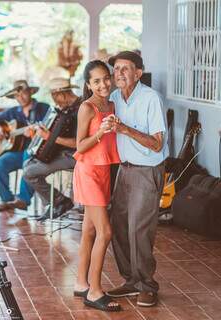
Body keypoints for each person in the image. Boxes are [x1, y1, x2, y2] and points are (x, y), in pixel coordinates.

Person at [104, 51, 167, 307]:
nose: (119, 73)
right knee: (118, 226)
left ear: (138, 73)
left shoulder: (151, 98)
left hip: (146, 169)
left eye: (125, 69)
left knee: (138, 229)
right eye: (116, 68)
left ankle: (147, 285)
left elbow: (156, 144)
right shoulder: (114, 97)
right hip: (124, 169)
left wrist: (125, 129)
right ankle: (131, 280)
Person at [73, 60, 121, 312]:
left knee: (90, 231)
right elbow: (79, 146)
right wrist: (101, 131)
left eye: (106, 78)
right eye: (96, 81)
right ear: (88, 84)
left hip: (104, 172)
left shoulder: (111, 104)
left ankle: (81, 283)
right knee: (106, 232)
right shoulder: (87, 107)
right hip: (88, 173)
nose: (103, 84)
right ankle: (94, 291)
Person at [23, 78, 81, 220]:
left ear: (62, 94)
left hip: (75, 155)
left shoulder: (81, 108)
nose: (55, 103)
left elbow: (78, 143)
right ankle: (56, 203)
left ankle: (60, 202)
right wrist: (39, 134)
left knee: (29, 172)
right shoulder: (66, 109)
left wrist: (49, 137)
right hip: (63, 152)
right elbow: (58, 131)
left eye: (56, 98)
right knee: (28, 164)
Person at [0, 80, 49, 211]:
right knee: (0, 162)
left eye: (23, 93)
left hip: (38, 153)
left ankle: (23, 200)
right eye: (16, 95)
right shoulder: (13, 111)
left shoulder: (43, 108)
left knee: (28, 156)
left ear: (30, 92)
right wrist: (0, 129)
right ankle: (7, 200)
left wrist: (37, 134)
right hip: (19, 153)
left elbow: (51, 129)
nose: (20, 97)